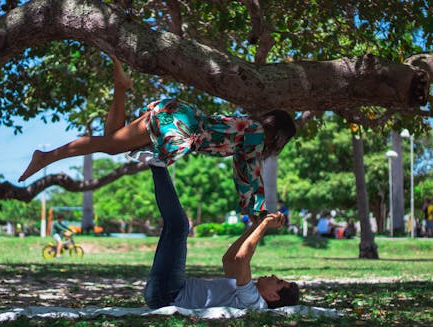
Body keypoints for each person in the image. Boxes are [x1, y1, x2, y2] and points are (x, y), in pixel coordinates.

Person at [19, 55, 296, 217]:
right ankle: (46, 156)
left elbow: (242, 170)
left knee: (113, 142)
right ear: (279, 135)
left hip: (177, 114)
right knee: (111, 144)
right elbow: (250, 173)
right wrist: (258, 211)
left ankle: (121, 87)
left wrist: (252, 207)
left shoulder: (250, 128)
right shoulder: (258, 135)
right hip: (180, 126)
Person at [144, 165, 300, 309]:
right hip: (167, 292)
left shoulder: (254, 301)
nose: (274, 276)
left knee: (179, 226)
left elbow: (241, 259)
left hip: (168, 295)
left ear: (273, 296)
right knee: (176, 226)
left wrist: (264, 225)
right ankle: (156, 162)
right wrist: (255, 226)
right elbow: (229, 260)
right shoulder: (246, 291)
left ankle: (156, 160)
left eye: (278, 281)